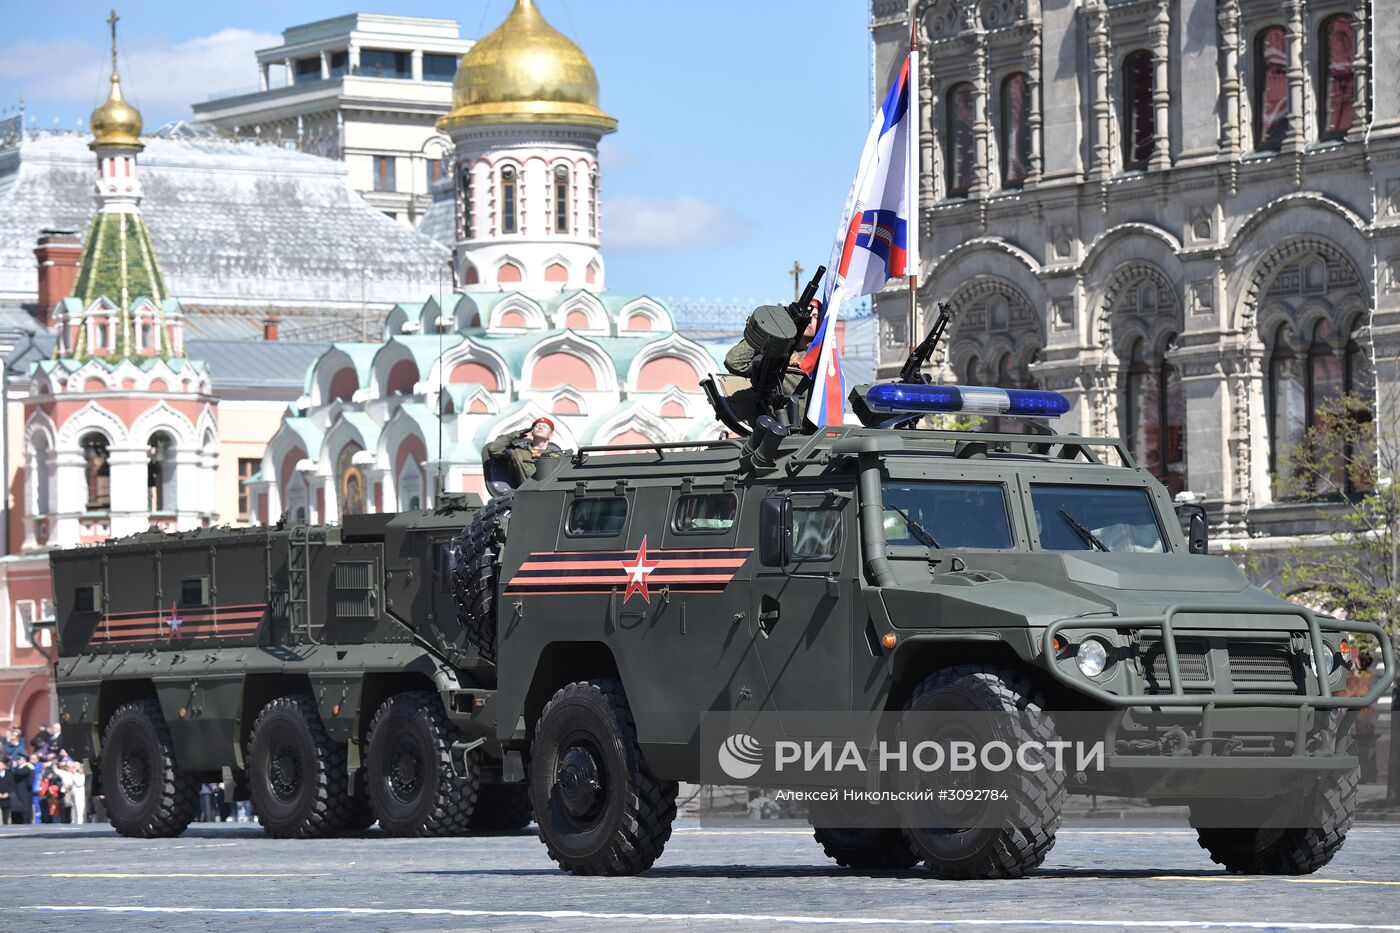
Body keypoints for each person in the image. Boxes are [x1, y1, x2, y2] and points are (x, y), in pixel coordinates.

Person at [721, 301, 819, 424]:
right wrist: (769, 331)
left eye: (815, 316)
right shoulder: (775, 351)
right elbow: (733, 362)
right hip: (772, 422)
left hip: (810, 429)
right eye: (809, 315)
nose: (810, 319)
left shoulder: (823, 358)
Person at [484, 417, 562, 488]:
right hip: (528, 493)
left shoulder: (557, 456)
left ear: (550, 435)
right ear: (532, 432)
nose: (540, 427)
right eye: (537, 426)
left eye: (544, 426)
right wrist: (515, 435)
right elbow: (494, 449)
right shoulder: (518, 453)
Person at [10, 754, 33, 824]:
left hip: (24, 791)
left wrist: (13, 767)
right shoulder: (17, 768)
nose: (17, 761)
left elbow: (21, 773)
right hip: (16, 791)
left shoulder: (28, 767)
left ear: (24, 760)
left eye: (19, 759)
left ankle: (26, 821)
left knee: (25, 808)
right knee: (15, 808)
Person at [0, 757, 12, 825]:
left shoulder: (9, 773)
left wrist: (8, 793)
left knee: (6, 815)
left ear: (4, 766)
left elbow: (12, 785)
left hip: (6, 798)